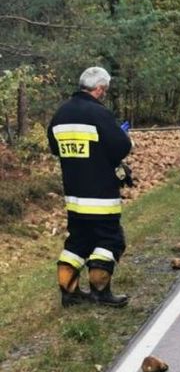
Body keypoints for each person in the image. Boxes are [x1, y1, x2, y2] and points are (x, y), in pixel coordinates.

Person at [47, 66, 132, 307]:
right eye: (105, 90)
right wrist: (127, 138)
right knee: (110, 240)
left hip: (73, 195)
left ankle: (69, 291)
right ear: (99, 89)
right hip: (101, 195)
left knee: (78, 242)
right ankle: (101, 291)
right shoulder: (98, 113)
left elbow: (56, 148)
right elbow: (120, 147)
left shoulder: (61, 114)